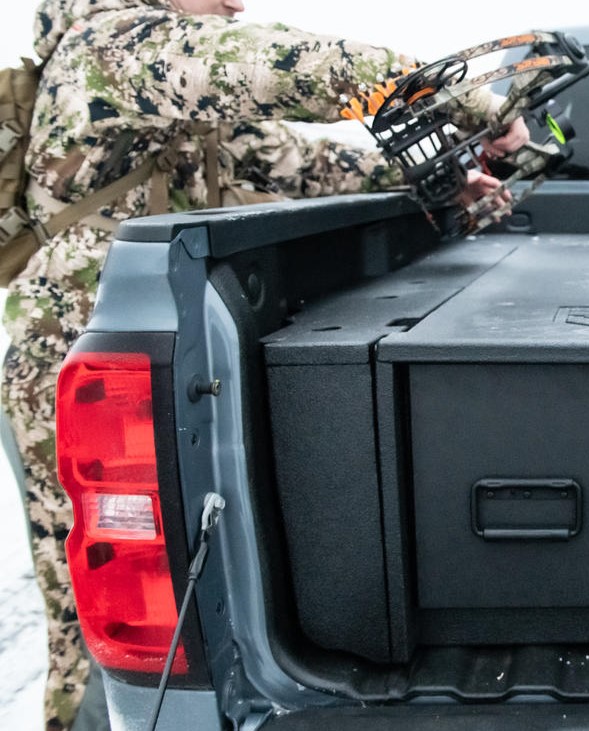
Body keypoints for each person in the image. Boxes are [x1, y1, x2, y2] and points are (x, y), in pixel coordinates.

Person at [3, 0, 528, 728]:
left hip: (146, 351)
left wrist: (442, 180)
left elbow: (303, 162)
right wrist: (467, 102)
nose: (236, 3)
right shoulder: (112, 45)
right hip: (87, 369)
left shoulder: (152, 78)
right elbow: (285, 65)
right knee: (107, 617)